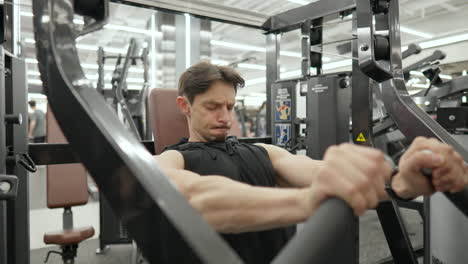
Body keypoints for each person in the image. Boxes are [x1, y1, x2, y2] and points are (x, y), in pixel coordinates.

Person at [153, 61, 468, 263]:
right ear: (185, 106)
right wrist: (308, 201)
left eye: (230, 106)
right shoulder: (172, 158)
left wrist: (401, 183)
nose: (224, 117)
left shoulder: (265, 153)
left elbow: (320, 172)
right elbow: (190, 198)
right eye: (212, 107)